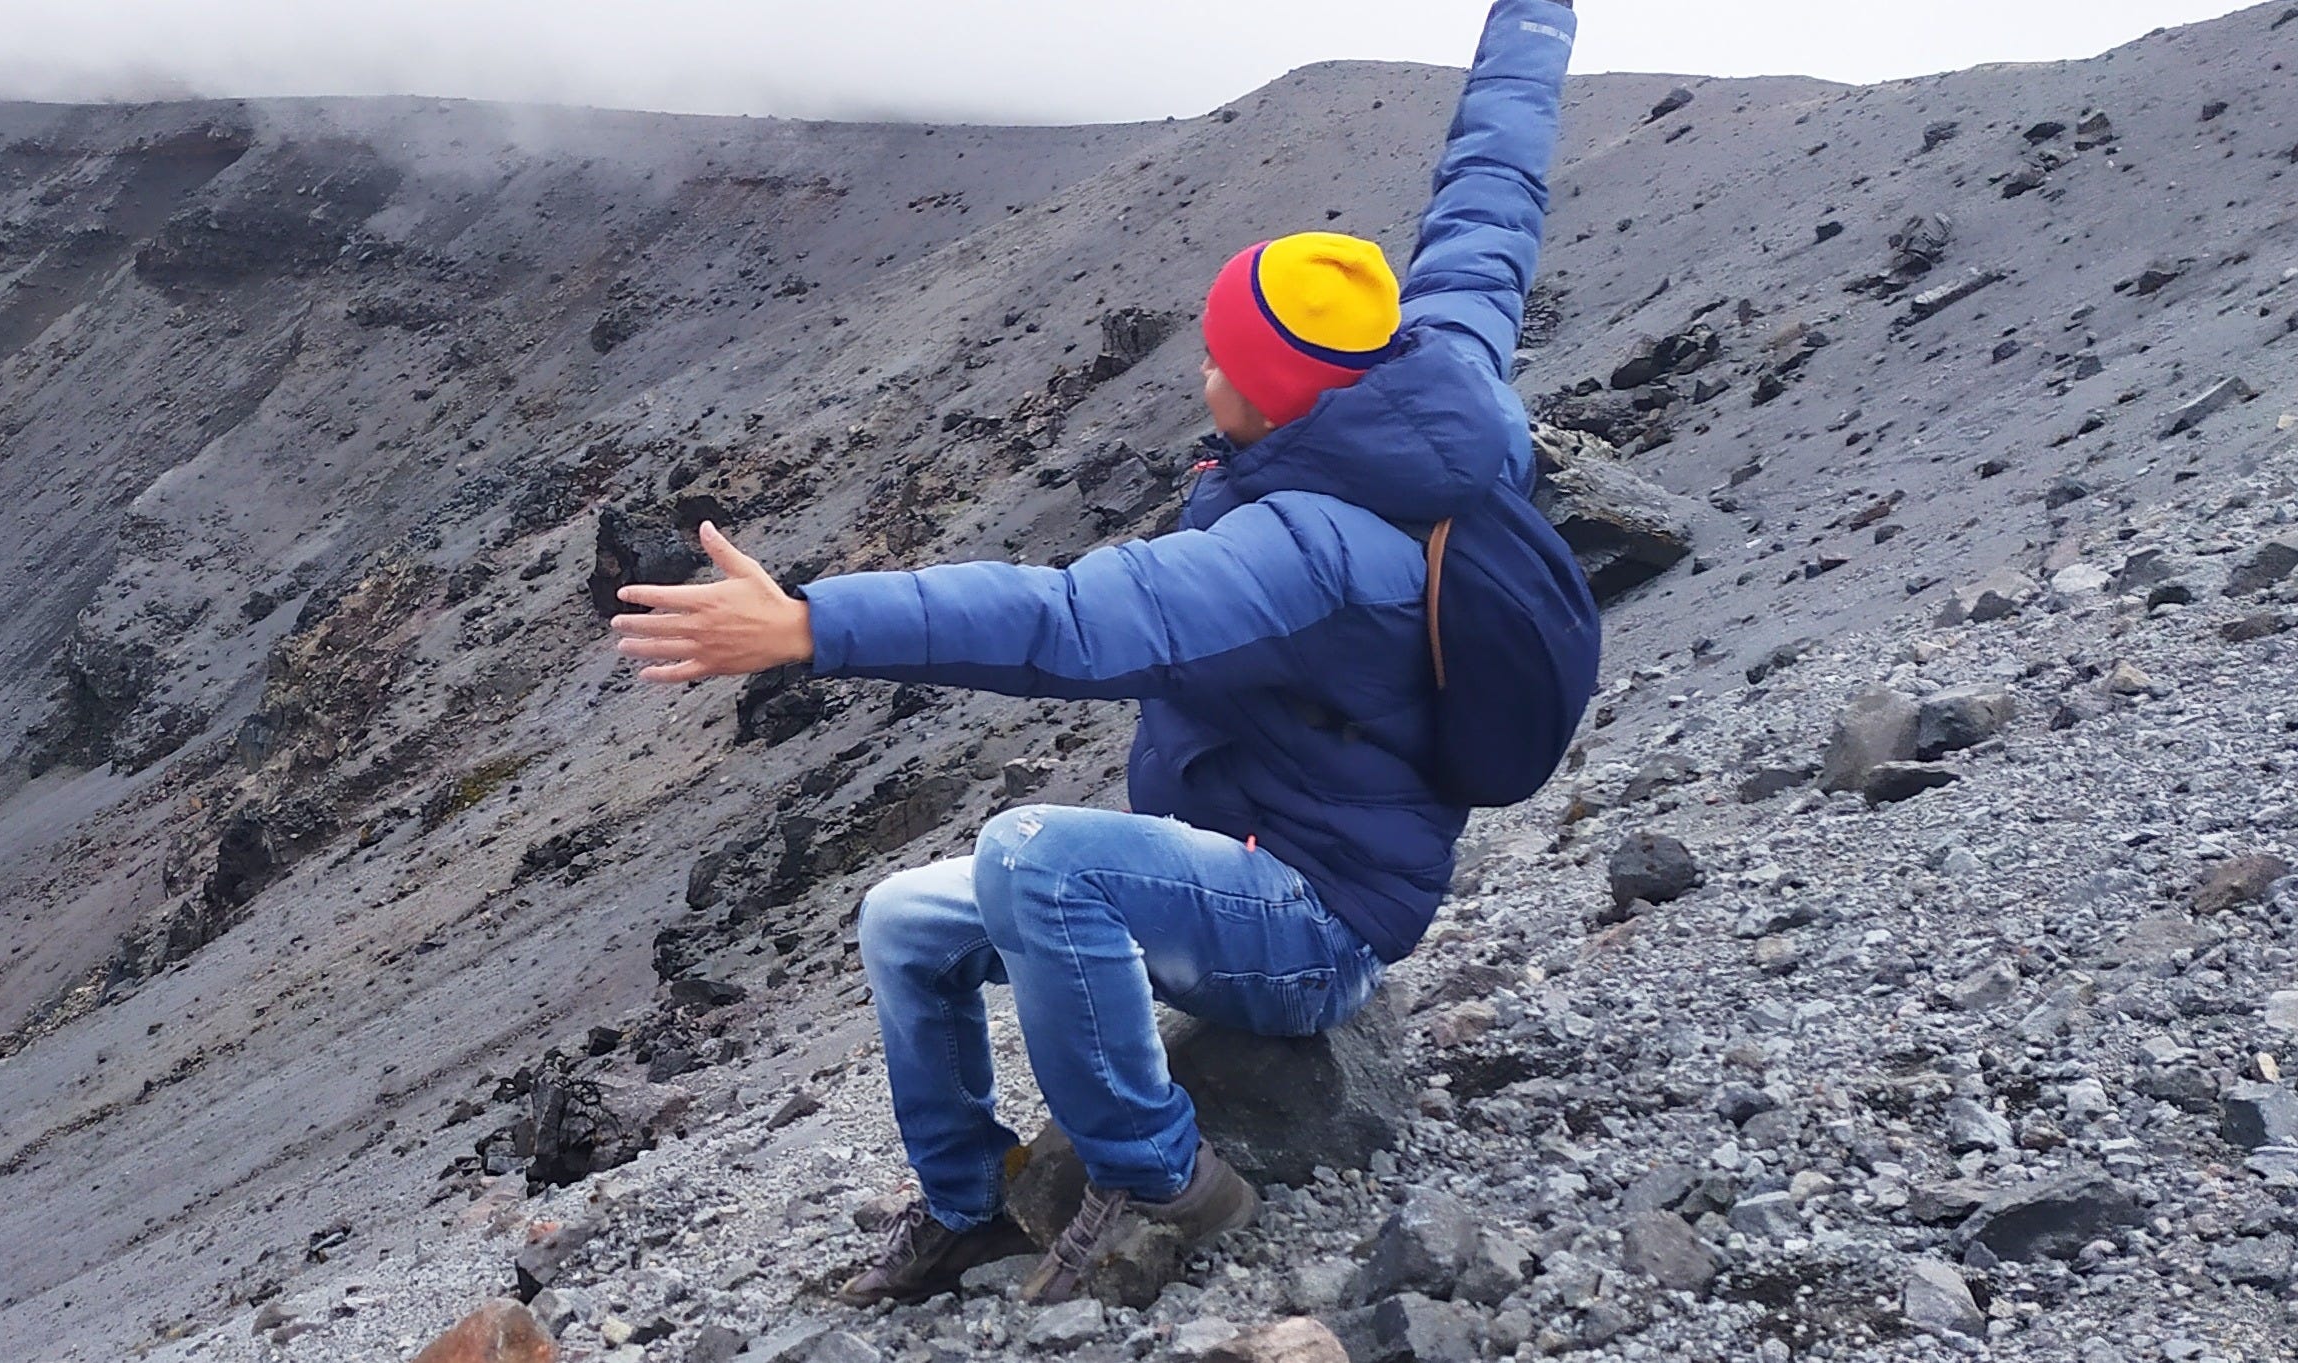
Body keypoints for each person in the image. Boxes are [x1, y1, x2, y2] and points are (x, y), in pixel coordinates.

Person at [606, 0, 1584, 1309]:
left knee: (1034, 855)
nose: (1202, 380)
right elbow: (1493, 185)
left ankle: (1162, 1177)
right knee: (903, 920)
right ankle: (970, 1205)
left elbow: (1068, 622)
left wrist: (808, 625)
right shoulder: (1430, 361)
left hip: (1311, 922)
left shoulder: (1311, 547)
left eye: (1220, 360)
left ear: (1271, 391)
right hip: (1235, 868)